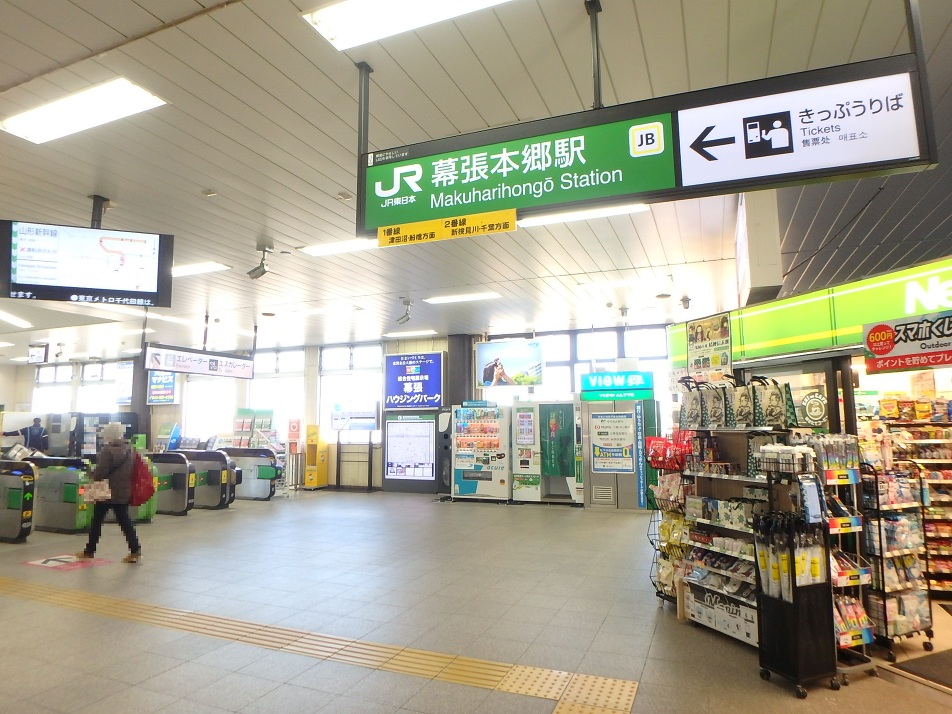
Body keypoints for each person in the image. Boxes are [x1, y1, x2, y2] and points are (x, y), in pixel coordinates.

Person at [76, 422, 141, 563]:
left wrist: (90, 473)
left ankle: (89, 551)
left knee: (97, 521)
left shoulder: (108, 450)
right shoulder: (130, 449)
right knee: (125, 521)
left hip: (106, 491)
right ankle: (135, 551)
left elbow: (101, 472)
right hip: (123, 490)